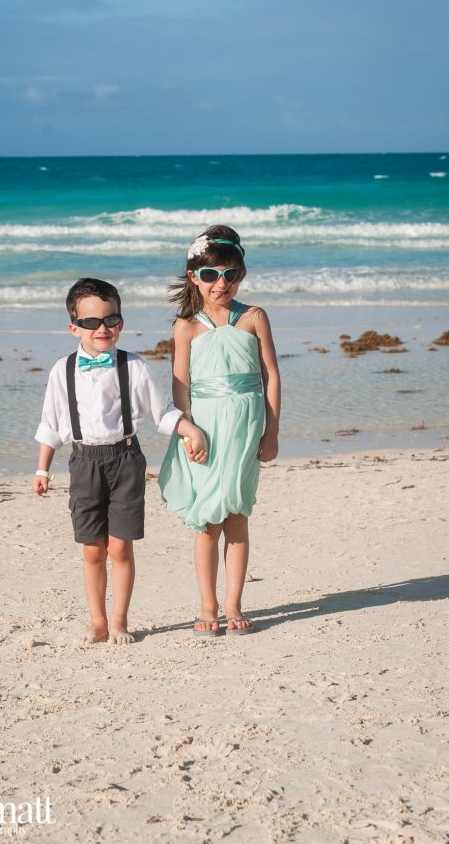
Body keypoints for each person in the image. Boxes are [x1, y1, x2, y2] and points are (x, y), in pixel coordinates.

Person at [33, 277, 208, 646]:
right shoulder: (62, 370)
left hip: (126, 460)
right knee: (92, 549)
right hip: (84, 462)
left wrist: (190, 430)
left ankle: (118, 621)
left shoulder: (134, 366)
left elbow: (161, 413)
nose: (102, 329)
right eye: (91, 322)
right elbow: (51, 424)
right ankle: (97, 622)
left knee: (120, 547)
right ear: (74, 327)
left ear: (121, 322)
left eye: (110, 320)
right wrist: (42, 469)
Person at [158, 226, 280, 638]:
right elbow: (180, 386)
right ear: (194, 277)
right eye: (211, 275)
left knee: (238, 516)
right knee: (208, 520)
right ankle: (208, 606)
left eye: (230, 275)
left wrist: (272, 432)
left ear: (241, 275)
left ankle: (233, 605)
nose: (221, 284)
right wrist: (187, 431)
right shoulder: (186, 326)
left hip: (246, 427)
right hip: (204, 431)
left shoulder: (254, 317)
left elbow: (271, 376)